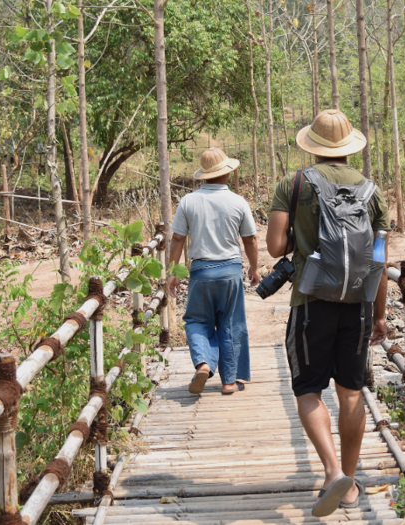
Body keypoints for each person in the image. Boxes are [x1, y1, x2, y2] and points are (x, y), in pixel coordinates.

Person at [266, 109, 390, 516]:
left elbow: (273, 245)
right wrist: (380, 315)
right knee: (351, 392)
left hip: (310, 302)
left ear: (313, 145)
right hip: (356, 303)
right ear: (350, 146)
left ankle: (333, 470)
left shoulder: (295, 183)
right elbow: (379, 258)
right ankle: (350, 483)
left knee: (307, 389)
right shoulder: (372, 191)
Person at [166, 147, 260, 395]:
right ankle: (229, 381)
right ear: (227, 173)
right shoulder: (238, 201)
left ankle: (204, 363)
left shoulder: (188, 201)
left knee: (197, 320)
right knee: (231, 323)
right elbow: (250, 239)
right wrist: (254, 268)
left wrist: (172, 272)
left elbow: (177, 239)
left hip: (201, 272)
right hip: (230, 271)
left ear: (204, 176)